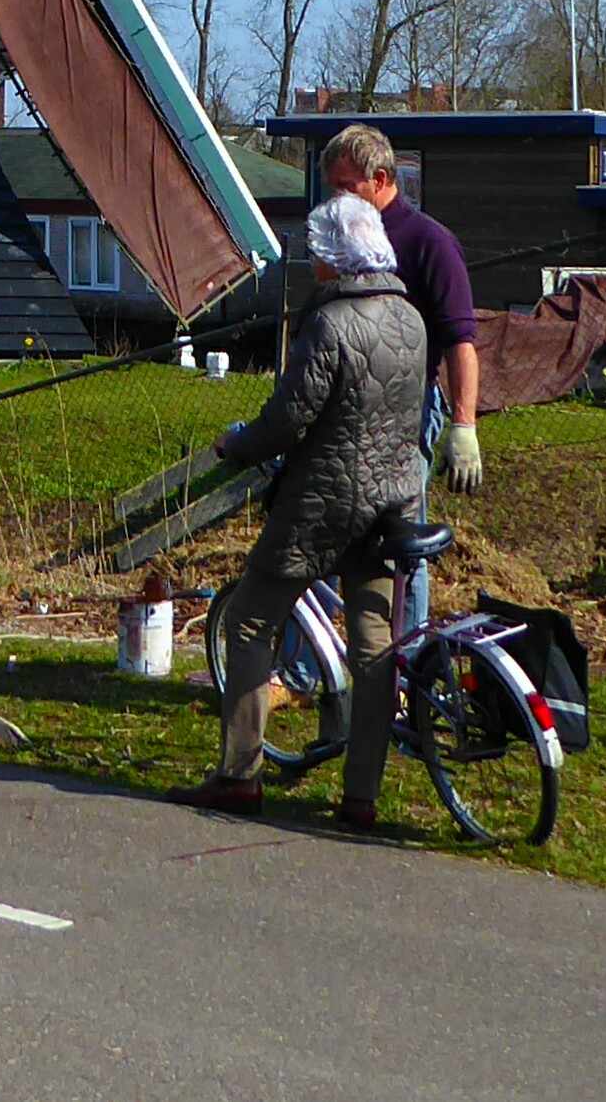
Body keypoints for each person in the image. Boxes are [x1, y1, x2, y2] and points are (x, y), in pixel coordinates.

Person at [173, 192, 426, 825]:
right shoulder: (411, 320)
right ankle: (360, 796)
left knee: (252, 623)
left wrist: (237, 444)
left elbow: (288, 420)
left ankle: (240, 775)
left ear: (337, 259)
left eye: (317, 253)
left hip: (322, 504)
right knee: (375, 648)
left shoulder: (330, 324)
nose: (312, 263)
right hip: (390, 504)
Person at [320, 123, 483, 493]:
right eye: (333, 188)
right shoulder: (345, 237)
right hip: (345, 398)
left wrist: (464, 425)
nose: (337, 200)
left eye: (346, 187)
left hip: (406, 402)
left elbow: (460, 340)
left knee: (396, 510)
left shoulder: (429, 243)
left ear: (378, 179)